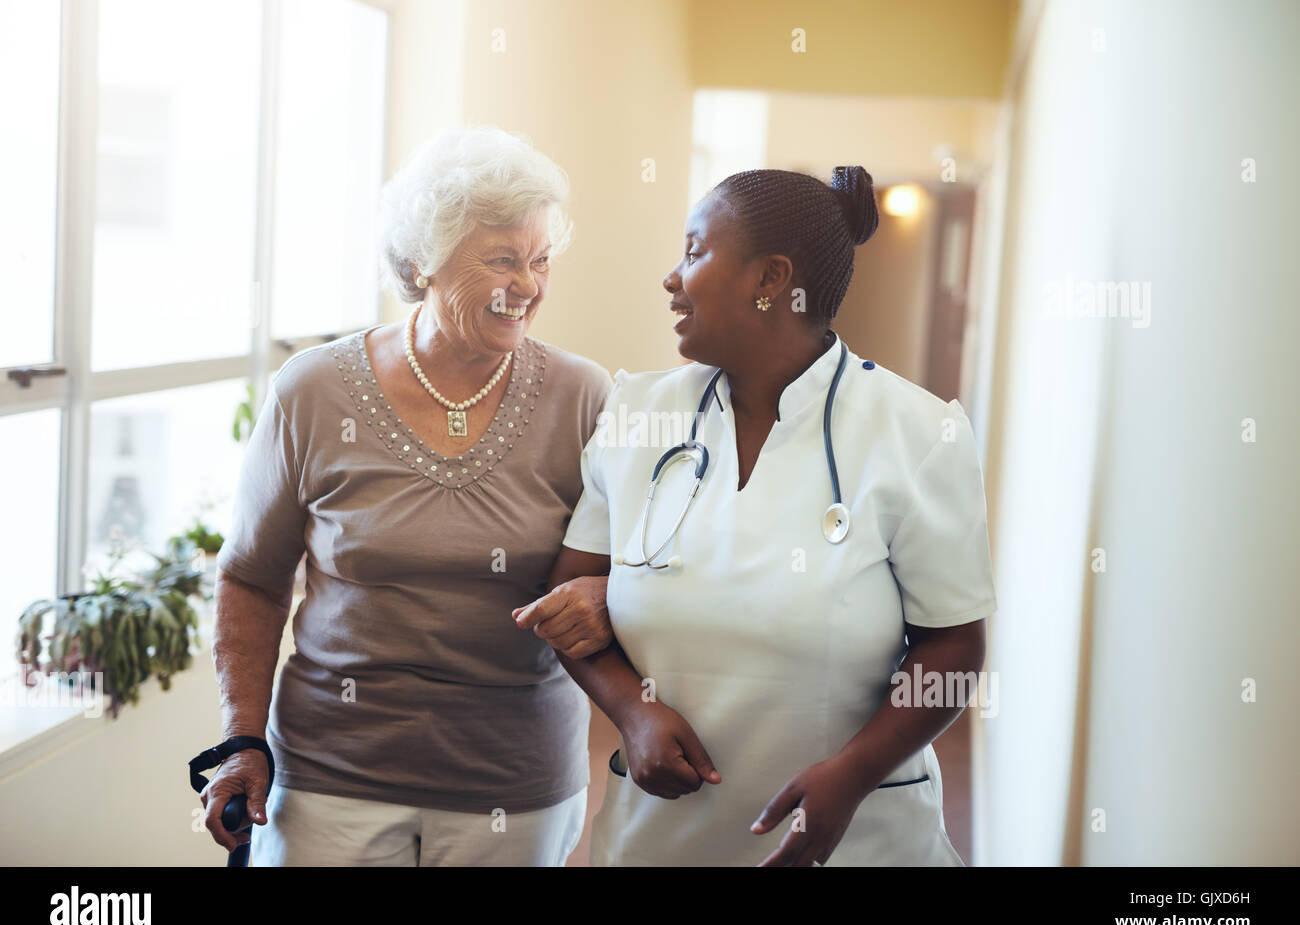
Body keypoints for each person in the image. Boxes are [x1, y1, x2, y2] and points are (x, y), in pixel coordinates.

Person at [515, 165, 997, 866]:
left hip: (859, 837)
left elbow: (953, 648)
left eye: (695, 251)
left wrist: (854, 775)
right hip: (663, 835)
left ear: (771, 280)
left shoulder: (918, 434)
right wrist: (633, 711)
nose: (671, 278)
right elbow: (569, 606)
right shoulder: (636, 415)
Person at [201, 126, 615, 866]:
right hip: (331, 778)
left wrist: (604, 594)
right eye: (501, 260)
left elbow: (624, 566)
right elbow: (251, 579)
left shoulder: (582, 395)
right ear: (424, 261)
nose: (527, 285)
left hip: (513, 784)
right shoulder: (315, 390)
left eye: (541, 259)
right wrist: (242, 738)